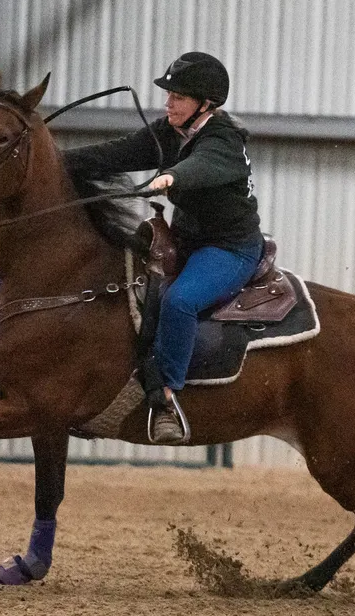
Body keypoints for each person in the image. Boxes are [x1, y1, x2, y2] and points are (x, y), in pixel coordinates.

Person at [63, 52, 264, 444]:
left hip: (229, 249)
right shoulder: (170, 132)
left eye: (178, 96)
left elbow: (200, 167)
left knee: (180, 302)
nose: (168, 102)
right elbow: (117, 153)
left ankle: (167, 398)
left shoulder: (222, 141)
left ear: (205, 104)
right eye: (169, 94)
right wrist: (56, 162)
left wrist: (169, 177)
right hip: (185, 242)